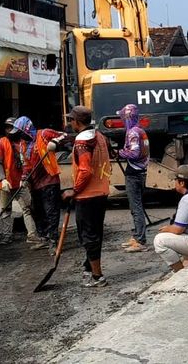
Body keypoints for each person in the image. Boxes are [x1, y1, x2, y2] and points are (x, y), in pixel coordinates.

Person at [62, 106, 111, 288]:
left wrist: (73, 190)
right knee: (95, 234)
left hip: (87, 195)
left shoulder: (82, 142)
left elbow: (85, 169)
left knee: (89, 236)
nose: (70, 123)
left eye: (71, 120)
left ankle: (97, 276)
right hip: (101, 191)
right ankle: (88, 268)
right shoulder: (99, 136)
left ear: (77, 121)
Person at [11, 116, 66, 255]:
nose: (19, 134)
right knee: (38, 212)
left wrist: (55, 142)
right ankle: (44, 238)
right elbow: (26, 164)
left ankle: (54, 241)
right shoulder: (23, 144)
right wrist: (24, 177)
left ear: (27, 129)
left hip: (49, 180)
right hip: (35, 183)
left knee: (51, 211)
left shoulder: (44, 134)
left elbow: (64, 135)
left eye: (20, 131)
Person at [0, 117, 43, 247]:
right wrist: (2, 179)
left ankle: (32, 235)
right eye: (7, 128)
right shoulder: (1, 143)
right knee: (6, 210)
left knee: (28, 208)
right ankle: (6, 236)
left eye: (11, 127)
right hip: (6, 183)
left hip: (21, 182)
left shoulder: (24, 143)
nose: (9, 130)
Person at [116, 104, 150, 253]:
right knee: (137, 207)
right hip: (140, 172)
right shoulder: (140, 131)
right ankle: (137, 236)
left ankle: (140, 240)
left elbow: (134, 154)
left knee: (136, 208)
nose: (122, 120)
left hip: (134, 173)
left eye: (123, 117)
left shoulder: (133, 133)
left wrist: (120, 153)